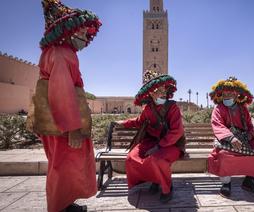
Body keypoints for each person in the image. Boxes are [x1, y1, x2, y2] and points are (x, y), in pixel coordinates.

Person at [26, 0, 101, 211]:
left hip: (55, 122)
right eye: (83, 32)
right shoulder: (61, 54)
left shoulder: (57, 52)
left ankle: (66, 203)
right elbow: (62, 92)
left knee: (65, 165)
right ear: (69, 31)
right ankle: (59, 207)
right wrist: (73, 129)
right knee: (63, 165)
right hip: (62, 125)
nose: (86, 37)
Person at [114, 70, 185, 203]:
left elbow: (177, 131)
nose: (162, 93)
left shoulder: (172, 107)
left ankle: (167, 188)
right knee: (131, 158)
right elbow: (139, 121)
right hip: (151, 142)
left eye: (164, 90)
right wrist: (124, 123)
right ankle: (155, 180)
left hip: (171, 144)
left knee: (157, 159)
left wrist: (159, 146)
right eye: (158, 91)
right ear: (151, 93)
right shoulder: (147, 108)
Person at [208, 77, 254, 198]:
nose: (227, 95)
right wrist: (230, 138)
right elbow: (217, 125)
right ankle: (226, 184)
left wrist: (250, 134)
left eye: (230, 92)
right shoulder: (218, 109)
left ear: (237, 94)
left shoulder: (243, 109)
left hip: (245, 140)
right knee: (224, 155)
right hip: (226, 141)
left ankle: (250, 180)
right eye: (224, 93)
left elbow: (250, 127)